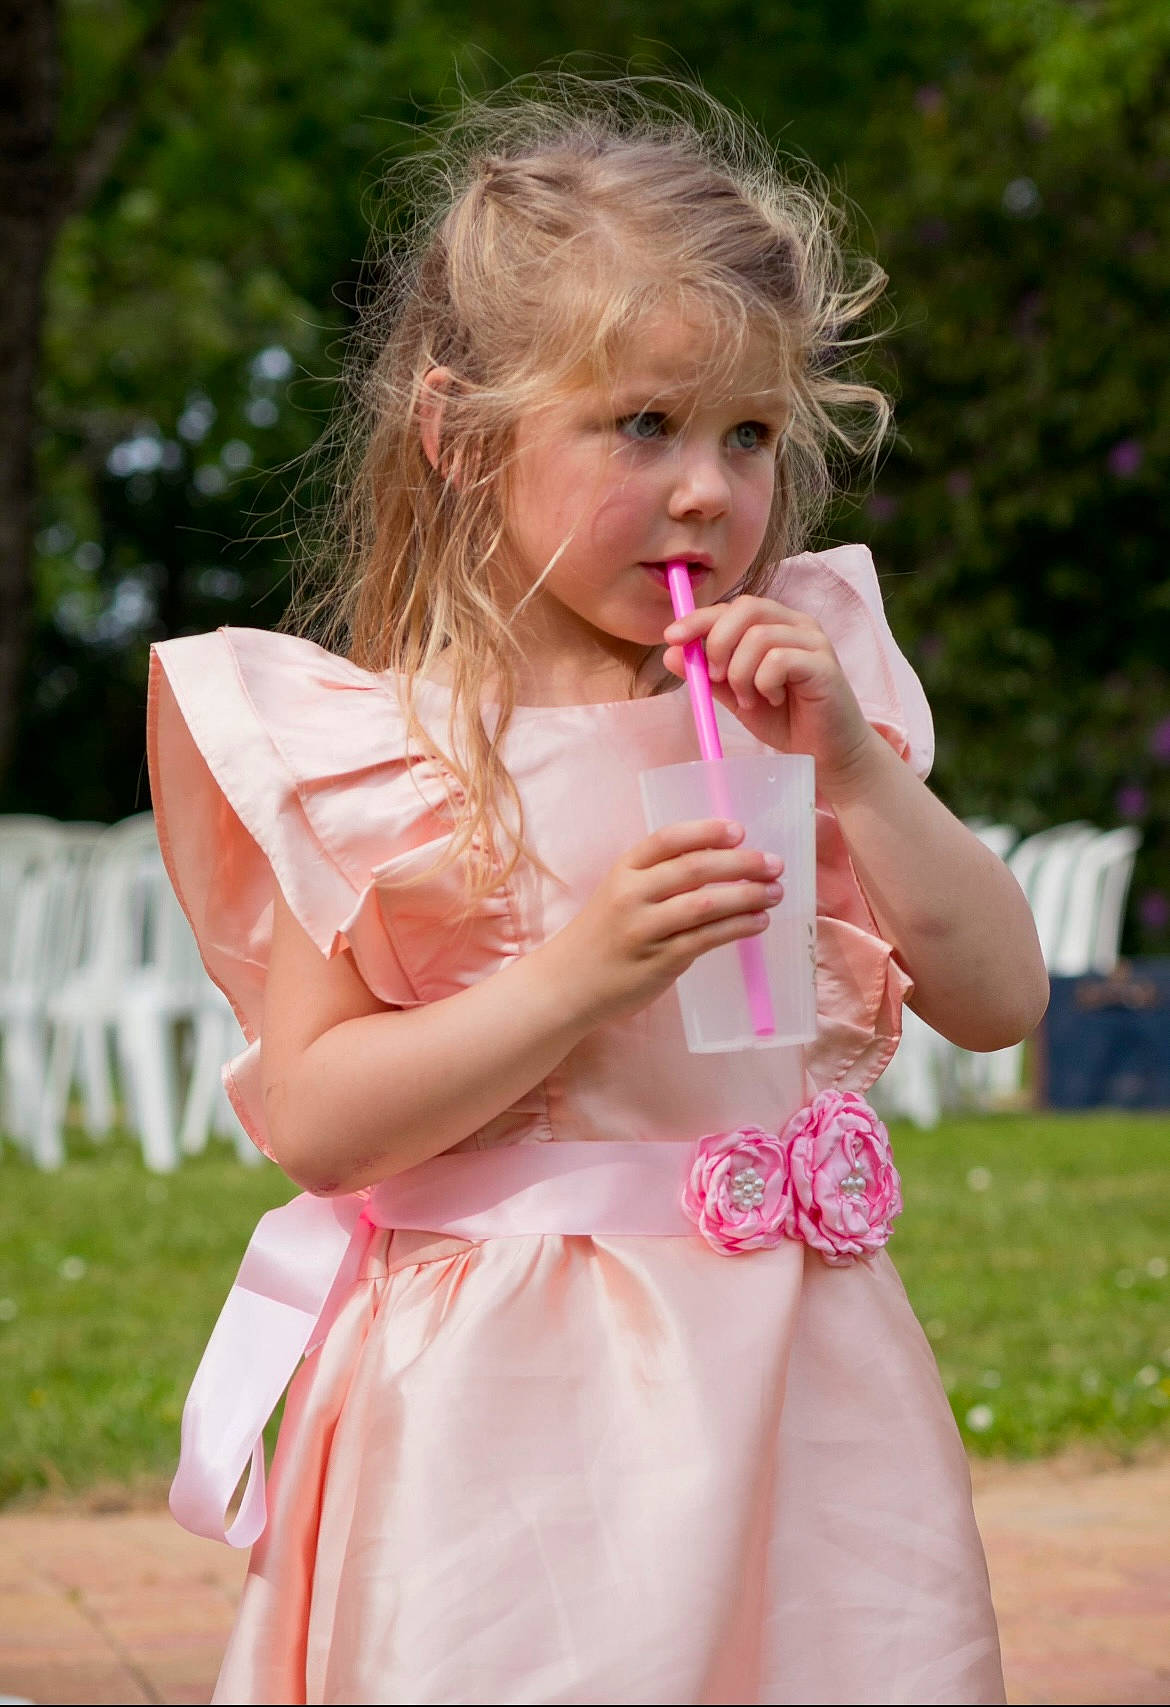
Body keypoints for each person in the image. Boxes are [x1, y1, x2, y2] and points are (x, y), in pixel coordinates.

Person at [148, 79, 1048, 1706]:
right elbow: (321, 1120)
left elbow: (999, 1000)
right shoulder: (388, 756)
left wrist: (855, 771)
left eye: (747, 436)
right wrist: (574, 976)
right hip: (509, 1412)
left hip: (801, 1391)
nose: (707, 490)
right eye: (642, 426)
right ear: (459, 436)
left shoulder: (802, 705)